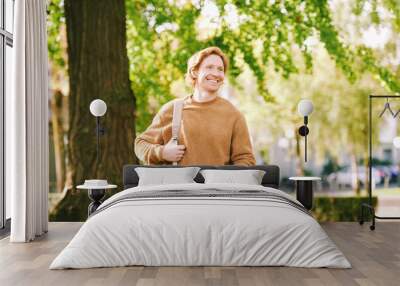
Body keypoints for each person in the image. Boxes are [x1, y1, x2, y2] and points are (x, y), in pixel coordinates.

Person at [134, 46, 256, 166]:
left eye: (220, 69)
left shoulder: (233, 115)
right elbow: (140, 144)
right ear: (195, 71)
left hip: (217, 186)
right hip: (178, 185)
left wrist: (229, 179)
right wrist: (162, 152)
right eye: (209, 67)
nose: (216, 73)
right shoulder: (172, 110)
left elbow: (246, 159)